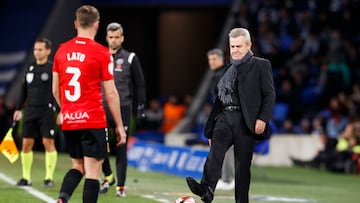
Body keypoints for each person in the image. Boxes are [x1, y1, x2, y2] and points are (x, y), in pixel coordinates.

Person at [186, 28, 276, 203]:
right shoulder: (228, 69)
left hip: (246, 121)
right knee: (215, 154)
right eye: (232, 46)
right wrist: (211, 128)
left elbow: (270, 95)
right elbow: (219, 100)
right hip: (225, 117)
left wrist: (263, 118)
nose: (235, 50)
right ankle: (207, 190)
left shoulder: (261, 65)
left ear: (249, 45)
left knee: (242, 166)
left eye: (239, 46)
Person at [52, 5, 127, 203]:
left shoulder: (61, 51)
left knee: (78, 166)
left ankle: (61, 199)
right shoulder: (102, 53)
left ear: (76, 24)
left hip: (70, 119)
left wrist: (65, 109)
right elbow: (111, 93)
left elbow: (54, 89)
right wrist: (119, 126)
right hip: (93, 119)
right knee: (93, 172)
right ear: (97, 25)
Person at [99, 22, 146, 197]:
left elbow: (140, 84)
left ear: (122, 38)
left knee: (121, 148)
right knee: (99, 146)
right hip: (102, 108)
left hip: (123, 108)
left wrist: (141, 106)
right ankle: (108, 176)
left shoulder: (130, 57)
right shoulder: (99, 57)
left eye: (116, 37)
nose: (113, 40)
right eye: (110, 37)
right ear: (106, 38)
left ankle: (120, 187)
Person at [13, 38, 58, 187]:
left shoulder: (52, 69)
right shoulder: (30, 68)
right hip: (30, 110)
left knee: (48, 142)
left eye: (40, 49)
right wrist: (19, 109)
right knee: (26, 144)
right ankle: (26, 177)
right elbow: (23, 91)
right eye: (35, 49)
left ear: (48, 51)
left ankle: (49, 178)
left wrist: (61, 110)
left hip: (47, 110)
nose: (37, 52)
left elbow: (59, 91)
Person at [207, 48, 235, 190]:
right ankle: (223, 178)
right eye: (210, 60)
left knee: (226, 147)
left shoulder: (224, 74)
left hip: (226, 115)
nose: (211, 62)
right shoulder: (216, 74)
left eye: (214, 59)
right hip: (222, 115)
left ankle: (227, 179)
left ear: (221, 59)